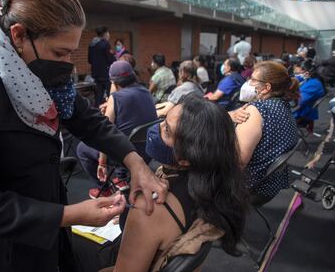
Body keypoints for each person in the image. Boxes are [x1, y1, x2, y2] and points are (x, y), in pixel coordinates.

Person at [0, 0, 167, 272]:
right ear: (19, 35)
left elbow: (87, 120)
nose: (67, 64)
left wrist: (134, 162)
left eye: (72, 52)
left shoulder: (40, 72)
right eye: (60, 53)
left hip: (45, 237)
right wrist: (71, 214)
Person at [106, 94, 248, 271]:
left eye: (166, 130)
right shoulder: (215, 185)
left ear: (186, 158)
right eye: (163, 120)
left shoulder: (150, 205)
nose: (155, 128)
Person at [77, 60, 158, 198]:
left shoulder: (116, 97)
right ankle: (121, 178)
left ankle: (104, 187)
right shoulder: (145, 91)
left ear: (113, 82)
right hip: (147, 152)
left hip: (126, 155)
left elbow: (104, 132)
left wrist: (102, 163)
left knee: (81, 149)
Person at [236, 61, 299, 206]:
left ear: (266, 88)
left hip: (248, 188)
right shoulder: (284, 105)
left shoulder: (257, 110)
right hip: (270, 186)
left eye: (252, 80)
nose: (249, 83)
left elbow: (237, 162)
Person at [293, 59, 326, 131]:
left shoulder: (313, 85)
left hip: (300, 115)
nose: (296, 75)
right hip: (302, 111)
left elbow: (299, 102)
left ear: (307, 73)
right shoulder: (312, 81)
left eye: (298, 73)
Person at [88, 26, 116, 106]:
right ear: (105, 34)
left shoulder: (92, 44)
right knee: (110, 93)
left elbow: (89, 60)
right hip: (105, 73)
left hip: (96, 74)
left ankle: (97, 111)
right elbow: (111, 59)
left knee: (99, 95)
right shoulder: (105, 43)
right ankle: (111, 110)